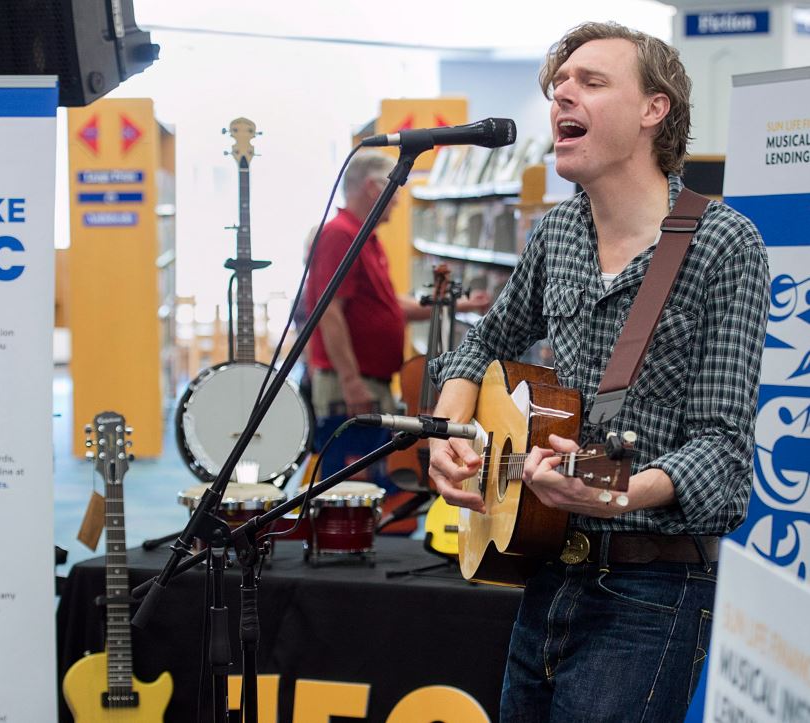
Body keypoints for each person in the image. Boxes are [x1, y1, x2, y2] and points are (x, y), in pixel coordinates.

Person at [427, 21, 769, 721]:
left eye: (591, 81)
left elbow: (723, 454)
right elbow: (485, 338)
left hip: (651, 590)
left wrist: (619, 492)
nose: (562, 95)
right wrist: (447, 429)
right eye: (558, 85)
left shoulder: (725, 244)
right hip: (546, 569)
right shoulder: (558, 233)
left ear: (654, 109)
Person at [305, 150, 489, 486]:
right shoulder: (340, 235)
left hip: (369, 379)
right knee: (346, 479)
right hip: (350, 381)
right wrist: (350, 381)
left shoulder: (365, 238)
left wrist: (458, 305)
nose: (399, 199)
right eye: (397, 188)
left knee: (369, 476)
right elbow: (329, 312)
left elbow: (390, 306)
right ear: (375, 188)